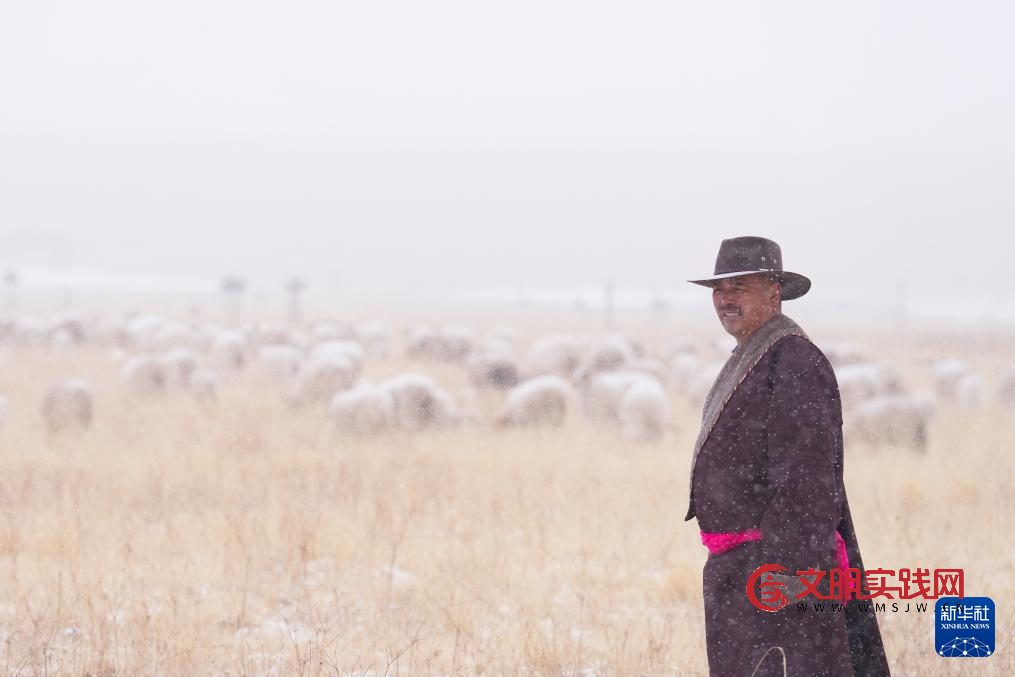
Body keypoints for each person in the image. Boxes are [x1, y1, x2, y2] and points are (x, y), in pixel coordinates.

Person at [684, 236, 890, 677]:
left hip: (775, 574)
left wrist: (792, 574)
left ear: (773, 292)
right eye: (720, 290)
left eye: (740, 287)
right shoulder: (758, 354)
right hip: (745, 570)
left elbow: (808, 479)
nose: (725, 300)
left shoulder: (794, 361)